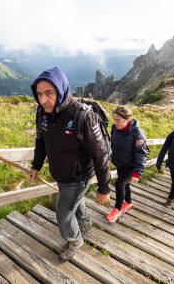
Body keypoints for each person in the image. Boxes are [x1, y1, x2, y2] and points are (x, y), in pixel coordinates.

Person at [30, 67, 111, 261]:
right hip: (60, 173)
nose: (43, 100)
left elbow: (100, 155)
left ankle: (74, 239)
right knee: (76, 200)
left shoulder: (82, 116)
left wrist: (104, 187)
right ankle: (84, 223)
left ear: (61, 88)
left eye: (49, 93)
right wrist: (36, 166)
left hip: (78, 176)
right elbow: (41, 141)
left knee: (63, 215)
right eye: (39, 94)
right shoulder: (42, 113)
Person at [106, 106, 149, 222]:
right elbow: (112, 144)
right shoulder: (115, 128)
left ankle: (118, 209)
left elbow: (142, 153)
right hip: (121, 163)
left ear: (128, 120)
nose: (115, 123)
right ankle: (128, 202)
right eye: (114, 119)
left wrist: (137, 173)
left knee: (119, 184)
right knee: (125, 185)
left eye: (118, 120)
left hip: (131, 166)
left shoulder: (138, 133)